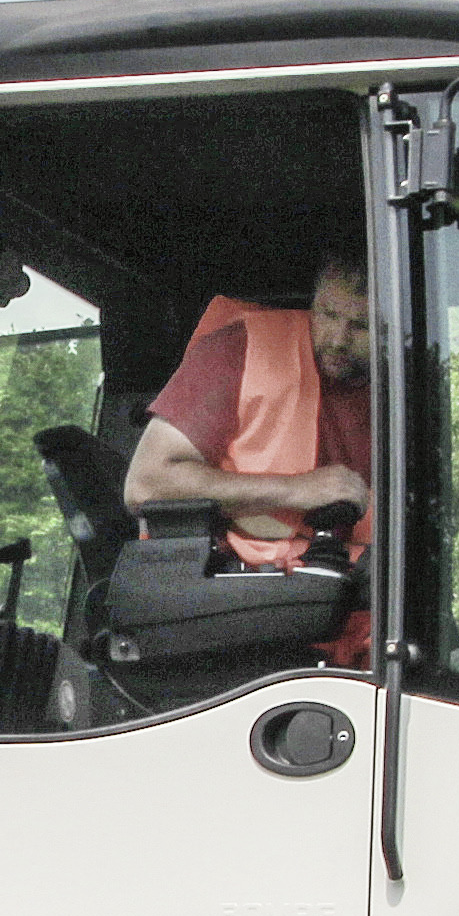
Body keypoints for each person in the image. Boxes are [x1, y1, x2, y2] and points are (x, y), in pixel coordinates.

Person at [124, 253, 376, 667]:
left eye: (361, 326)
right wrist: (298, 489)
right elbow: (146, 484)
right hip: (223, 616)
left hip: (354, 619)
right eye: (328, 314)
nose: (337, 337)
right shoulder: (242, 348)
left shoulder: (407, 383)